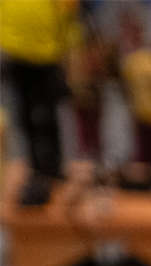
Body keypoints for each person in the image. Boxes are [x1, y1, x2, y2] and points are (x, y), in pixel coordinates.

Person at [0, 0, 77, 205]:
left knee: (46, 117)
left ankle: (49, 170)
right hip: (16, 51)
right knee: (26, 118)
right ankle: (39, 170)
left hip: (46, 54)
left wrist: (70, 48)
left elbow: (68, 11)